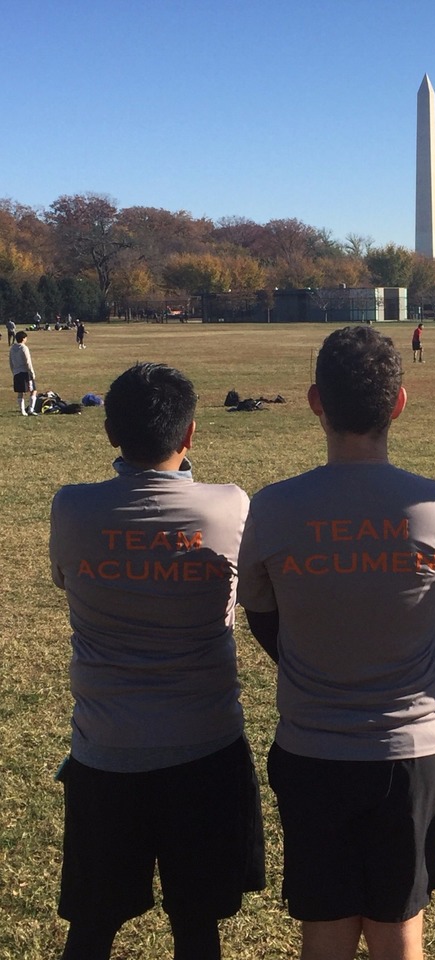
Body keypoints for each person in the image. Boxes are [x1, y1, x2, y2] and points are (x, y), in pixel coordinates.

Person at [237, 325, 435, 960]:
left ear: (316, 401)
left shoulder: (272, 509)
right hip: (412, 750)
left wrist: (315, 660)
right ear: (399, 402)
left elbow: (264, 617)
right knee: (401, 930)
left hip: (311, 747)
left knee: (324, 928)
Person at [49, 362, 265, 960]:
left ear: (111, 434)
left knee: (90, 929)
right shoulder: (228, 506)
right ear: (190, 434)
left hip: (105, 752)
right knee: (198, 930)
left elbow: (65, 580)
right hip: (206, 747)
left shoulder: (72, 509)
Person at [9, 330, 37, 415]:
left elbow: (10, 361)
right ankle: (31, 409)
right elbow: (28, 362)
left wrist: (13, 371)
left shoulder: (12, 348)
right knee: (33, 390)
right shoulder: (24, 348)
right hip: (25, 372)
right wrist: (32, 372)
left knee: (20, 392)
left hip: (16, 372)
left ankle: (22, 411)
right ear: (23, 338)